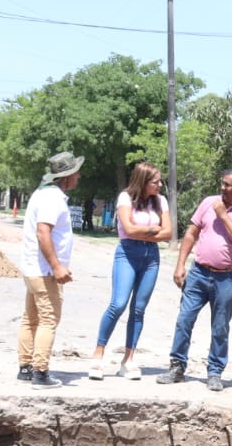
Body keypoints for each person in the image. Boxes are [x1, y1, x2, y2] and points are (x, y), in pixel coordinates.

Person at [157, 168, 232, 392]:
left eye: (227, 185)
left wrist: (223, 215)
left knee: (220, 327)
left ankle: (214, 372)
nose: (222, 188)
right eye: (222, 183)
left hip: (226, 278)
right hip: (198, 274)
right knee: (184, 319)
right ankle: (177, 367)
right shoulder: (208, 203)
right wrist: (180, 264)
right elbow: (191, 233)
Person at [87, 162, 172, 381]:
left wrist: (143, 232)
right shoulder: (125, 198)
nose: (160, 185)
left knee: (139, 309)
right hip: (127, 253)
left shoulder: (160, 201)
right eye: (156, 182)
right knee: (118, 304)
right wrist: (153, 230)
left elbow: (168, 233)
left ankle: (128, 359)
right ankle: (98, 355)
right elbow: (128, 229)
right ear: (143, 181)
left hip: (151, 256)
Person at [17, 151, 85, 388]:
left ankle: (25, 367)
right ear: (66, 177)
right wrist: (57, 266)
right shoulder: (52, 199)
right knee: (48, 319)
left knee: (31, 318)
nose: (79, 176)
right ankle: (40, 372)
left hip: (31, 268)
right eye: (76, 172)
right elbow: (43, 232)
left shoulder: (41, 194)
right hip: (43, 270)